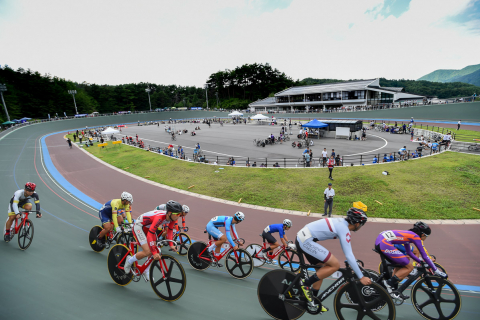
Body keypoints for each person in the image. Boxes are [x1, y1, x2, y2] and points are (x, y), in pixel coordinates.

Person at [296, 208, 371, 311]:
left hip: (304, 237)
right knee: (335, 265)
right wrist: (361, 277)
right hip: (306, 241)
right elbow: (348, 255)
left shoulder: (342, 223)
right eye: (362, 224)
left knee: (322, 270)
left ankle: (312, 300)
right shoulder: (343, 229)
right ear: (357, 224)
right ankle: (305, 284)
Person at [374, 222, 447, 299]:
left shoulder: (410, 235)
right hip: (384, 243)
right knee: (410, 267)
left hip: (381, 241)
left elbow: (409, 252)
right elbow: (424, 255)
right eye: (426, 236)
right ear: (422, 234)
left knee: (403, 264)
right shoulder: (416, 237)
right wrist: (437, 271)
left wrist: (420, 262)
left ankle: (393, 290)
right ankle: (388, 283)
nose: (425, 238)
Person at [124, 201, 183, 275]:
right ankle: (129, 261)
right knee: (148, 251)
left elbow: (170, 230)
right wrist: (154, 253)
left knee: (155, 247)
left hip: (149, 227)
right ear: (169, 213)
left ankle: (146, 269)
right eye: (177, 214)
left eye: (180, 214)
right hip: (139, 226)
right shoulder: (160, 218)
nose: (178, 216)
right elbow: (150, 235)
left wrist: (171, 245)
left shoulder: (173, 218)